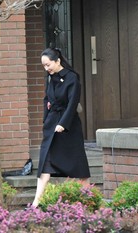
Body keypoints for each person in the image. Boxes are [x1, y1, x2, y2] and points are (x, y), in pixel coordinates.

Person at [31, 47, 90, 208]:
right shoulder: (50, 78)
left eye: (48, 64)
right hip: (51, 125)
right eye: (44, 65)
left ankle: (90, 199)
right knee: (45, 162)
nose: (46, 68)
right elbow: (46, 99)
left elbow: (72, 104)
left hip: (68, 128)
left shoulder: (72, 78)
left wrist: (63, 124)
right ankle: (36, 202)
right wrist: (46, 118)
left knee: (78, 167)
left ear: (58, 61)